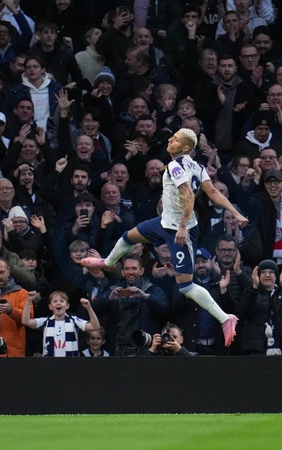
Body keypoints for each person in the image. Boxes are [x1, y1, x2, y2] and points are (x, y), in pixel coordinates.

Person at [82, 129, 247, 347]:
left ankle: (225, 318)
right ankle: (108, 262)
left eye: (176, 139)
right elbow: (214, 193)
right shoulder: (197, 167)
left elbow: (188, 194)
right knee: (128, 237)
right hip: (165, 222)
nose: (170, 139)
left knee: (185, 286)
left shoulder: (175, 166)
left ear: (185, 148)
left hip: (179, 229)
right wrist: (235, 212)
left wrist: (182, 227)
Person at [21, 291, 100, 357]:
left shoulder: (74, 320)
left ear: (67, 306)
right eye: (55, 301)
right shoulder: (45, 321)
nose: (58, 303)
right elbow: (25, 321)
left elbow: (95, 326)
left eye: (62, 301)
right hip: (50, 364)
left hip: (71, 364)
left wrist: (89, 308)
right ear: (50, 306)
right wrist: (28, 301)